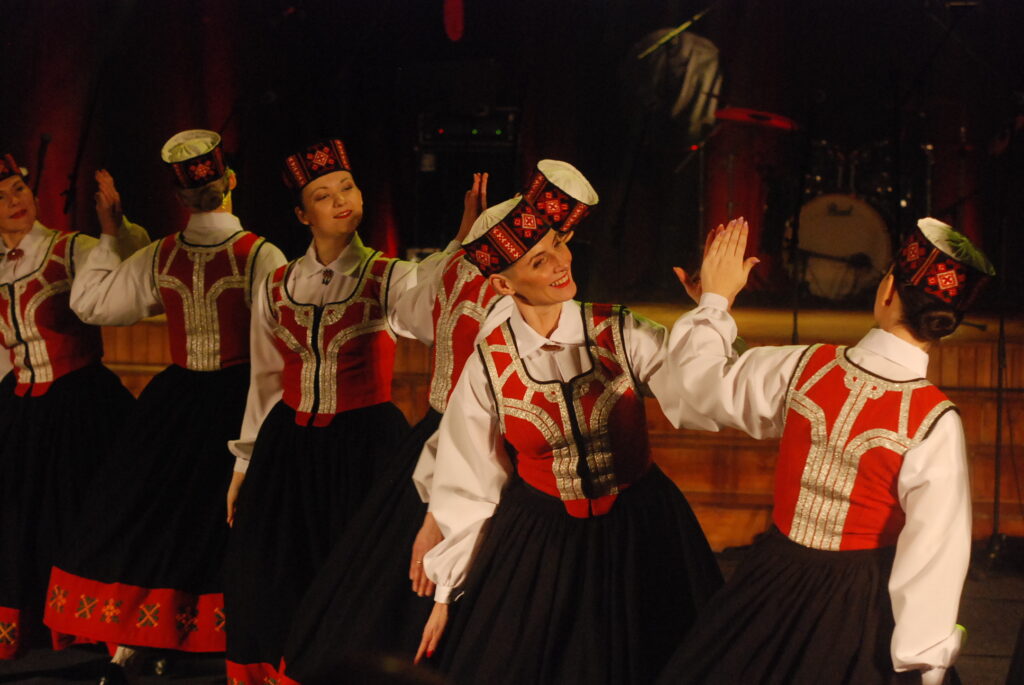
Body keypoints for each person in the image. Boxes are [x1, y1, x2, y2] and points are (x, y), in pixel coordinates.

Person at [279, 160, 600, 684]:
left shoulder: (455, 267)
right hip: (473, 450)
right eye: (548, 246)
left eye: (559, 243)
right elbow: (477, 424)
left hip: (438, 434)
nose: (560, 257)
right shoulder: (515, 306)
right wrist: (435, 513)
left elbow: (408, 317)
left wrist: (459, 243)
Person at [656, 217, 989, 684]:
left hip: (772, 582)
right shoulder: (935, 421)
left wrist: (714, 302)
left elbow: (699, 386)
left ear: (887, 289)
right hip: (861, 609)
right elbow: (935, 551)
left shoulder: (805, 366)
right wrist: (924, 659)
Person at [415, 189, 724, 685]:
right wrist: (447, 594)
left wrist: (712, 309)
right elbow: (469, 481)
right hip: (543, 540)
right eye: (539, 261)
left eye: (558, 243)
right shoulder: (488, 364)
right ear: (502, 283)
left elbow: (702, 391)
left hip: (641, 530)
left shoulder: (619, 329)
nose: (561, 262)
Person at [41, 130, 285, 682]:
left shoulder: (163, 252)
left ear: (179, 198)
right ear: (231, 181)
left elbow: (92, 303)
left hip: (178, 403)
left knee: (156, 516)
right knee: (222, 517)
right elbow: (279, 338)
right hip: (240, 395)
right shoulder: (260, 253)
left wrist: (113, 235)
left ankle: (148, 637)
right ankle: (226, 637)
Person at [223, 138, 457, 685]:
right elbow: (265, 379)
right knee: (278, 568)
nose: (340, 201)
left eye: (347, 187)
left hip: (364, 445)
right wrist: (243, 464)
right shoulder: (276, 284)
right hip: (288, 447)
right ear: (302, 215)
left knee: (354, 570)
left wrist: (457, 249)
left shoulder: (389, 275)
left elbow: (431, 315)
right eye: (323, 195)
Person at [0, 152, 148, 660]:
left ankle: (99, 624)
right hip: (22, 405)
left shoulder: (71, 249)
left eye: (18, 189)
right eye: (0, 197)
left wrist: (114, 228)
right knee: (19, 517)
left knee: (85, 509)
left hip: (79, 403)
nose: (13, 201)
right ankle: (30, 624)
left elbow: (130, 268)